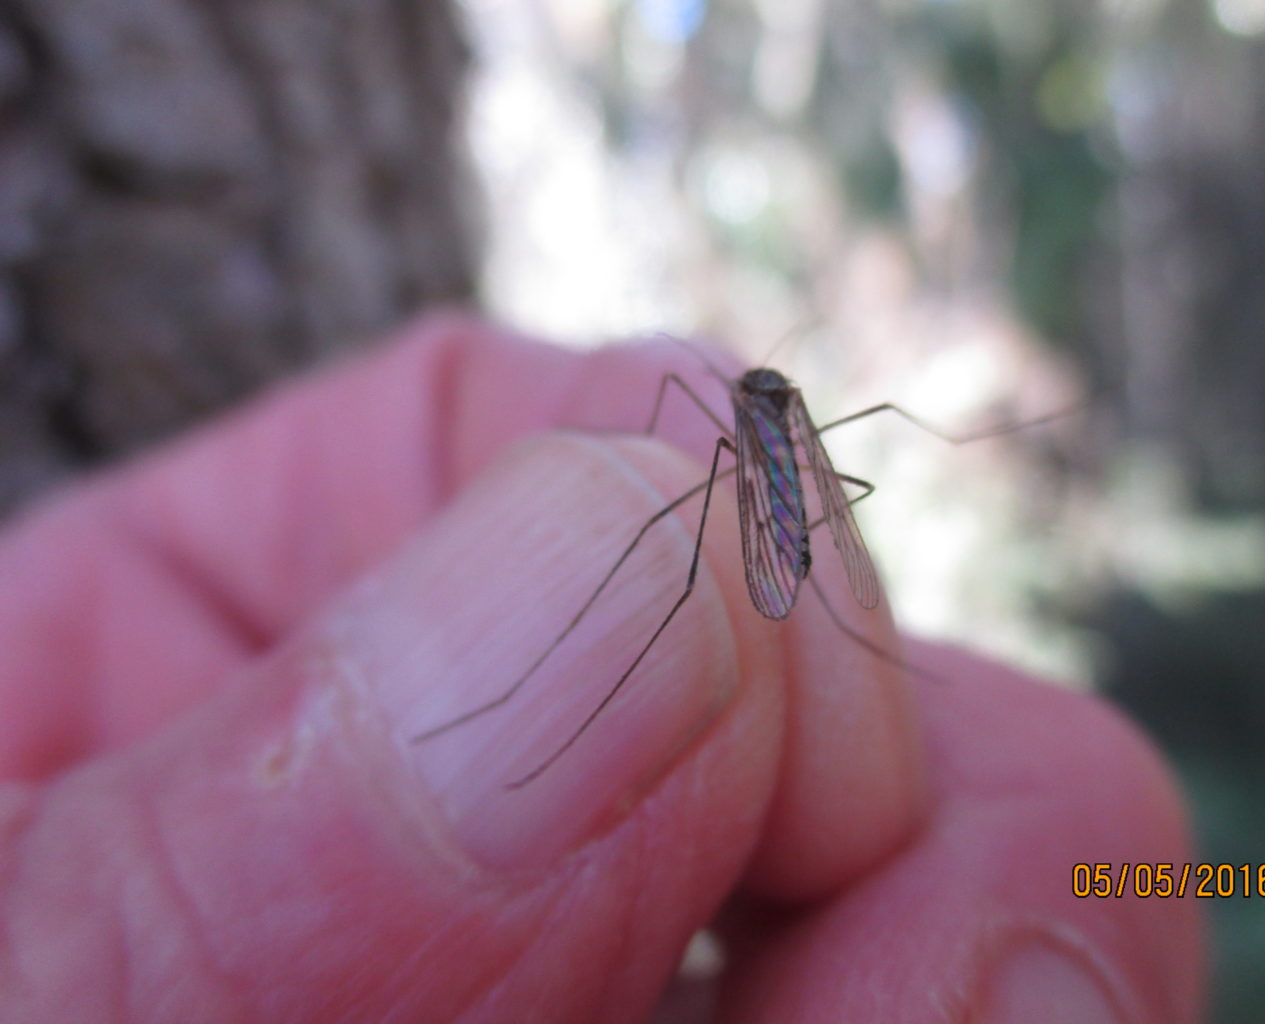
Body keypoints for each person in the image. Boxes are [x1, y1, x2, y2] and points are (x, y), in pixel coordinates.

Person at [0, 314, 1203, 1022]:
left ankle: (574, 657)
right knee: (687, 557)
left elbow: (786, 481)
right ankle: (564, 654)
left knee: (700, 560)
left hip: (768, 529)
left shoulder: (756, 414)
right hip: (757, 524)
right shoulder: (744, 406)